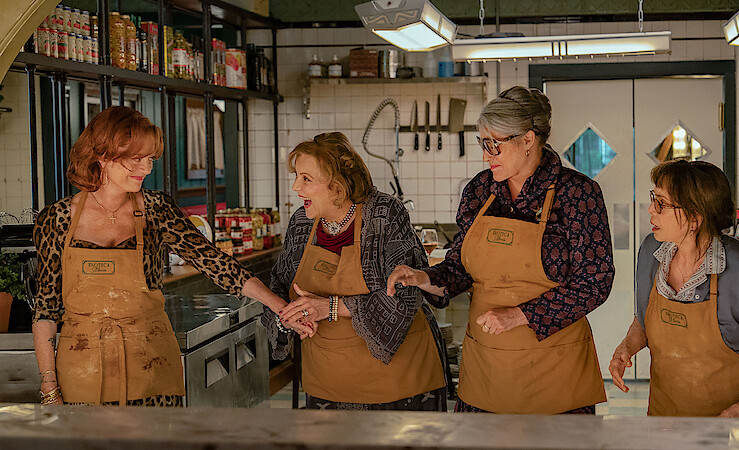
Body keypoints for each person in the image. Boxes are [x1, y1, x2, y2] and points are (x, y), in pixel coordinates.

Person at [32, 106, 312, 406]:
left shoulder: (155, 209)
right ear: (102, 155)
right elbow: (46, 309)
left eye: (150, 159)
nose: (146, 169)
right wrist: (49, 386)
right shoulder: (56, 219)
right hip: (82, 369)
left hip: (151, 364)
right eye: (136, 159)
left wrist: (281, 307)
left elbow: (215, 263)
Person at [387, 86, 614, 414]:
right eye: (483, 143)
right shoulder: (480, 190)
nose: (486, 155)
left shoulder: (577, 194)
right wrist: (422, 278)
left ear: (528, 140)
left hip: (556, 370)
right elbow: (460, 269)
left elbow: (595, 283)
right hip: (487, 369)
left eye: (494, 145)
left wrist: (519, 315)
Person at [263, 132, 448, 411]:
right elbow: (278, 286)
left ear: (337, 188)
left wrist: (330, 307)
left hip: (399, 383)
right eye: (297, 177)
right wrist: (287, 318)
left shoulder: (384, 214)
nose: (295, 187)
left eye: (306, 179)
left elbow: (407, 293)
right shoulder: (301, 222)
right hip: (327, 384)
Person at [609, 159, 739, 417]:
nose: (650, 209)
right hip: (664, 421)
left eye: (661, 203)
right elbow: (643, 319)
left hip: (729, 424)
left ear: (694, 218)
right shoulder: (651, 252)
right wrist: (625, 348)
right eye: (653, 199)